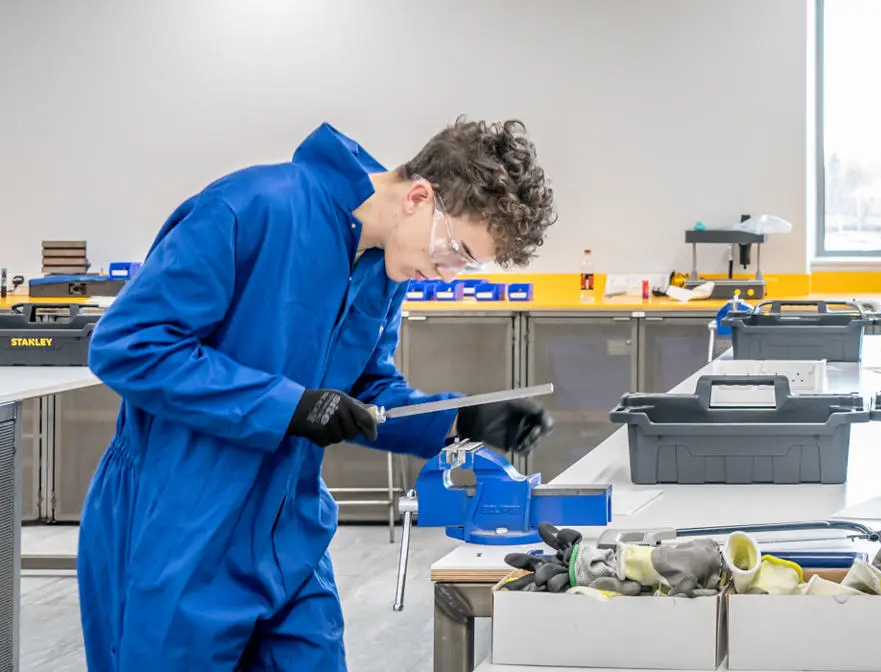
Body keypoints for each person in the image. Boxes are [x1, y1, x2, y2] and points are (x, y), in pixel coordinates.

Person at [78, 118, 559, 670]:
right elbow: (128, 345)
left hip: (287, 529)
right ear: (420, 197)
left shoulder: (385, 270)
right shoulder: (252, 208)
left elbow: (362, 389)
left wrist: (461, 419)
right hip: (178, 520)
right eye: (457, 251)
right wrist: (288, 406)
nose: (448, 274)